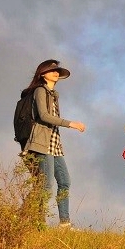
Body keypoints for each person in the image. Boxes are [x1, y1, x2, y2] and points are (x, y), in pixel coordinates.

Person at [21, 59, 87, 229]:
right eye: (52, 71)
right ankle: (35, 222)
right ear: (43, 74)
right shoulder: (40, 91)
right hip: (41, 143)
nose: (56, 73)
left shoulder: (53, 95)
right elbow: (44, 116)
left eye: (57, 71)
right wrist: (71, 124)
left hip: (54, 144)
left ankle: (64, 223)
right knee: (45, 185)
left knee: (65, 182)